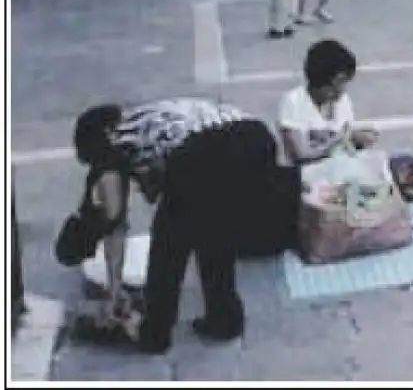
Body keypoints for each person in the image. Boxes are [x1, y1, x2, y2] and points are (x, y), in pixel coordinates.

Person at [71, 99, 279, 354]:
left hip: (206, 150)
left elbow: (117, 222)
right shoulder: (149, 116)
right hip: (257, 139)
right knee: (214, 233)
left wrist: (115, 289)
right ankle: (224, 320)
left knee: (168, 246)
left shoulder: (116, 145)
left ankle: (154, 333)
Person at [277, 40, 379, 169]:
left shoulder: (343, 101)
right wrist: (338, 142)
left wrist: (358, 140)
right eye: (339, 82)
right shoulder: (293, 102)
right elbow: (300, 156)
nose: (341, 89)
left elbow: (347, 141)